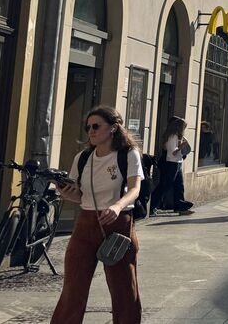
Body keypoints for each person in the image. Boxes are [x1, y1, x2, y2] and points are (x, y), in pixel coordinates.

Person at [52, 105, 144, 323]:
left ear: (112, 129)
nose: (91, 131)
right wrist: (63, 192)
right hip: (86, 223)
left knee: (124, 289)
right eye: (88, 127)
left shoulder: (128, 155)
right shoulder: (83, 157)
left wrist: (117, 206)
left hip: (118, 225)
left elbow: (135, 189)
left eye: (96, 126)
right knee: (73, 286)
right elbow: (80, 196)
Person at [151, 116, 194, 216]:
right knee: (165, 185)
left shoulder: (178, 136)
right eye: (184, 127)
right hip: (171, 163)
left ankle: (180, 207)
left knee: (179, 185)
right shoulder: (172, 136)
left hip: (177, 162)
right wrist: (180, 147)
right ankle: (152, 205)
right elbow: (172, 152)